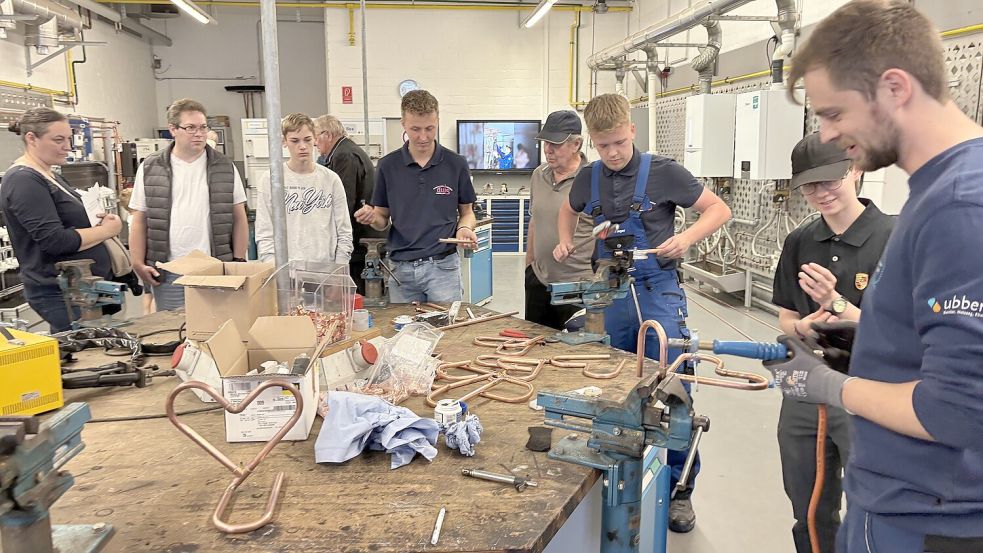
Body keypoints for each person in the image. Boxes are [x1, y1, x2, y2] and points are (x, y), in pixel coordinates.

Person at [769, 2, 983, 551]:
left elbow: (957, 411)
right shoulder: (938, 189)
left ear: (894, 88)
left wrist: (832, 386)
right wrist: (856, 340)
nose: (830, 135)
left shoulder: (959, 206)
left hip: (924, 514)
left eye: (835, 113)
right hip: (910, 500)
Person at [553, 93, 732, 533]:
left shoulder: (664, 172)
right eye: (602, 145)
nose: (612, 153)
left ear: (632, 129)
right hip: (608, 293)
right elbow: (567, 209)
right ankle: (615, 475)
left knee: (673, 391)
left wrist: (686, 238)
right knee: (612, 388)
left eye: (618, 142)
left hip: (658, 290)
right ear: (589, 142)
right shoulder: (588, 177)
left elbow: (718, 209)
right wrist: (564, 240)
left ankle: (678, 491)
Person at [771, 132, 895, 553]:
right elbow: (787, 317)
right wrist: (803, 326)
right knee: (807, 503)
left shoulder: (894, 238)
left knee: (875, 504)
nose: (820, 194)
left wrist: (837, 303)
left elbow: (903, 332)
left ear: (855, 169)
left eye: (829, 181)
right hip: (805, 388)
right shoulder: (800, 241)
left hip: (870, 392)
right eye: (809, 185)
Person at [1, 108, 123, 332]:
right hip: (60, 291)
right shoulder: (24, 180)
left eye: (68, 138)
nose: (68, 146)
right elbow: (55, 241)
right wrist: (107, 230)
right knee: (87, 357)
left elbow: (70, 225)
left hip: (84, 287)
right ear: (31, 138)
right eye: (58, 140)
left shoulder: (49, 174)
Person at [353, 90, 478, 303]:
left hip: (443, 268)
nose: (423, 137)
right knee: (405, 332)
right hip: (402, 270)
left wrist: (465, 228)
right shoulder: (387, 166)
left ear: (437, 120)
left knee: (447, 331)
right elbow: (382, 217)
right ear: (403, 123)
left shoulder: (455, 164)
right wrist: (372, 216)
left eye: (430, 128)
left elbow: (467, 212)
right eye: (415, 129)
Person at [128, 98, 249, 311]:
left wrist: (237, 260)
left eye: (203, 127)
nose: (199, 133)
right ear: (173, 129)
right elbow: (140, 219)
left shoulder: (224, 166)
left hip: (215, 269)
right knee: (173, 333)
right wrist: (137, 262)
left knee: (217, 331)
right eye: (190, 128)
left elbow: (239, 216)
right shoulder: (150, 167)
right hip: (168, 272)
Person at [255, 113, 353, 267]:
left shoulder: (331, 180)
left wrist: (339, 270)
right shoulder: (271, 181)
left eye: (307, 140)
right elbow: (264, 232)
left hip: (326, 272)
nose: (302, 146)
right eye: (295, 141)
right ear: (284, 141)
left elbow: (344, 231)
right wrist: (274, 269)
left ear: (315, 139)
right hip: (286, 273)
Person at [524, 110, 593, 330]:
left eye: (556, 144)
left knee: (574, 357)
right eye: (545, 142)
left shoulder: (593, 179)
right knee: (534, 348)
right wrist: (529, 268)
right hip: (539, 282)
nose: (548, 150)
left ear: (576, 144)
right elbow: (534, 221)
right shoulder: (538, 175)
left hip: (577, 287)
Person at [314, 114, 384, 293]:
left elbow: (343, 202)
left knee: (353, 298)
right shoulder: (344, 151)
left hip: (359, 241)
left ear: (328, 135)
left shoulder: (344, 155)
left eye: (315, 137)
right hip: (359, 237)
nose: (314, 143)